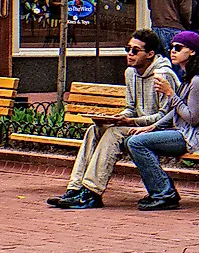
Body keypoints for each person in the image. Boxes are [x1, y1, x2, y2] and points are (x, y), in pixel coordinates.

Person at [48, 30, 178, 210]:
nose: (130, 54)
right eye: (128, 49)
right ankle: (75, 188)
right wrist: (120, 117)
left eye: (135, 50)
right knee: (95, 130)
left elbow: (166, 116)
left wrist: (132, 122)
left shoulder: (163, 75)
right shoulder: (130, 73)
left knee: (114, 133)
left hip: (161, 130)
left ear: (150, 55)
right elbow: (131, 108)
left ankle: (92, 192)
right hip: (137, 126)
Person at [123, 30, 199, 211]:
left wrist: (170, 93)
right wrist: (152, 127)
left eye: (178, 48)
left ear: (191, 51)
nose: (173, 51)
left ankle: (163, 192)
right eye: (171, 48)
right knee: (132, 140)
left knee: (137, 143)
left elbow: (192, 118)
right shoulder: (189, 76)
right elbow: (175, 112)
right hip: (185, 133)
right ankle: (161, 190)